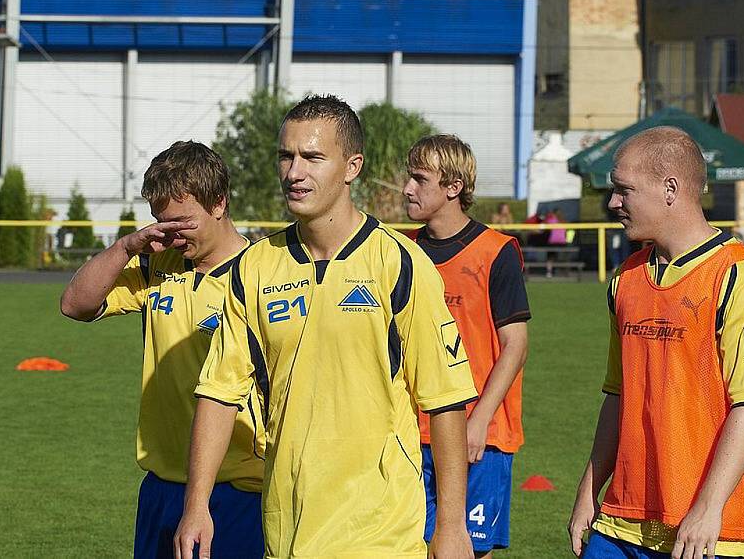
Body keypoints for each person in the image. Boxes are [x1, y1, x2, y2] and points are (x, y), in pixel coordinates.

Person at [174, 95, 478, 559]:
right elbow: (219, 391)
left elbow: (445, 399)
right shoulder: (254, 268)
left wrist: (452, 524)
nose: (295, 172)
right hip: (286, 529)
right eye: (286, 156)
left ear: (351, 166)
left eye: (313, 157)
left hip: (380, 532)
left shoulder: (399, 262)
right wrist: (197, 504)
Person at [568, 127, 744, 559]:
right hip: (621, 521)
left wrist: (708, 507)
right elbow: (617, 394)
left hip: (713, 530)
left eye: (623, 190)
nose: (613, 203)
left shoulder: (741, 276)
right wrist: (589, 492)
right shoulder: (626, 278)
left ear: (670, 189)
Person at [60, 141, 265, 558]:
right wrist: (126, 248)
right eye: (161, 221)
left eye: (182, 221)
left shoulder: (264, 274)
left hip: (240, 487)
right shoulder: (158, 265)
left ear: (219, 203)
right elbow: (75, 305)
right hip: (163, 484)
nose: (170, 233)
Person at [403, 135, 530, 557]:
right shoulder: (403, 251)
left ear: (453, 187)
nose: (408, 188)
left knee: (469, 551)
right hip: (411, 431)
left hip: (480, 433)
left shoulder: (496, 252)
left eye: (420, 179)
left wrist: (479, 420)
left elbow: (515, 345)